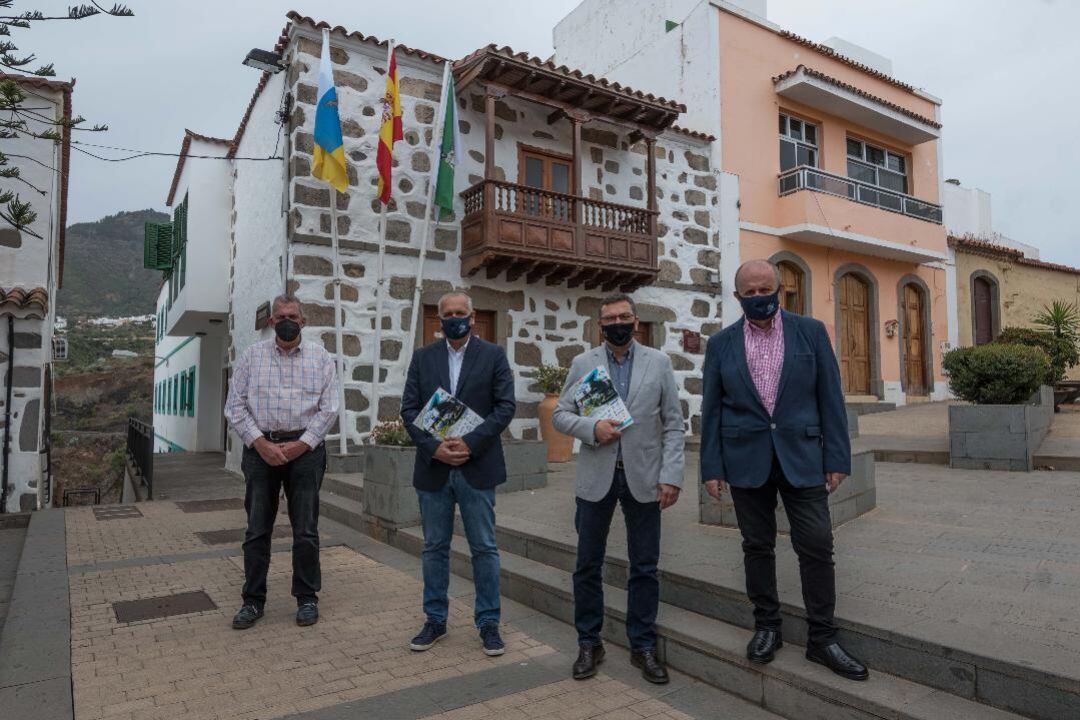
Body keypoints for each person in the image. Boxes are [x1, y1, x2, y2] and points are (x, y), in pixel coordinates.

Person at [699, 259, 868, 681]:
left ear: (780, 290)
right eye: (749, 293)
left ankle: (823, 639)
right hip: (745, 460)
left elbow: (831, 397)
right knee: (757, 546)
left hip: (803, 457)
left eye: (765, 290)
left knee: (816, 544)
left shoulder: (810, 332)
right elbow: (713, 410)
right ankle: (767, 628)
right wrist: (711, 467)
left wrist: (837, 459)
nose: (758, 298)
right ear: (738, 298)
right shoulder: (720, 344)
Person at [553, 294, 684, 684]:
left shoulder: (658, 363)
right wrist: (591, 428)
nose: (617, 323)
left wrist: (672, 474)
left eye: (624, 316)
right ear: (600, 325)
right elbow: (561, 414)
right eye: (609, 318)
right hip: (596, 478)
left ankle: (642, 644)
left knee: (644, 566)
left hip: (644, 477)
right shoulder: (583, 364)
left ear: (636, 321)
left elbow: (674, 424)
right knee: (587, 565)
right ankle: (589, 642)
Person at [400, 290, 516, 657]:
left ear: (473, 314)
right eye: (447, 313)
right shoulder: (423, 358)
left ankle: (489, 623)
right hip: (434, 467)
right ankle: (435, 619)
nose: (454, 318)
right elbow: (409, 408)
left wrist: (470, 442)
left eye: (460, 312)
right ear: (439, 319)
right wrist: (433, 447)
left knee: (484, 547)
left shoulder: (494, 355)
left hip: (476, 466)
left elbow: (505, 406)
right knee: (434, 547)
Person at [224, 294, 338, 630]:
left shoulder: (321, 358)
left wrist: (301, 445)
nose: (286, 320)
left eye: (293, 315)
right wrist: (260, 444)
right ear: (272, 321)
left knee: (305, 529)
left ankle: (306, 598)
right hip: (261, 452)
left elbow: (329, 408)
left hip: (305, 452)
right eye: (280, 316)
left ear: (303, 321)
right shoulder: (251, 356)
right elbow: (235, 406)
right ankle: (252, 601)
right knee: (258, 529)